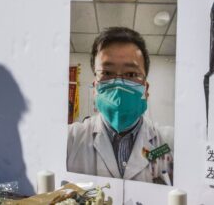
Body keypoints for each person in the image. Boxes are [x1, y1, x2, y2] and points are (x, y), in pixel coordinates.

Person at [67, 27, 173, 184]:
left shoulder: (170, 142)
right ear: (95, 88)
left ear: (146, 89)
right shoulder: (70, 139)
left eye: (131, 74)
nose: (118, 85)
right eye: (107, 73)